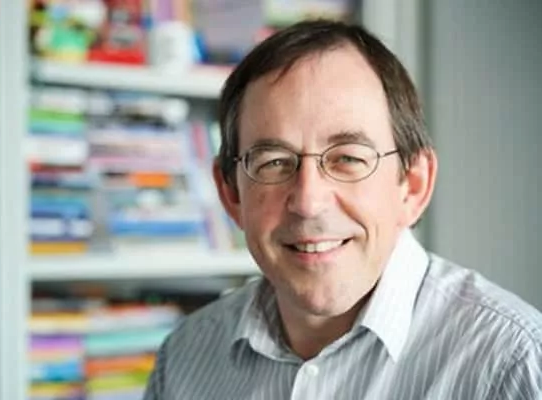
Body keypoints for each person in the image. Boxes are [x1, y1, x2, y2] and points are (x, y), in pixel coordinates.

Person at [143, 19, 542, 399]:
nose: (308, 201)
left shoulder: (514, 363)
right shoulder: (183, 360)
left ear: (413, 185)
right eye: (274, 162)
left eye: (348, 158)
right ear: (231, 193)